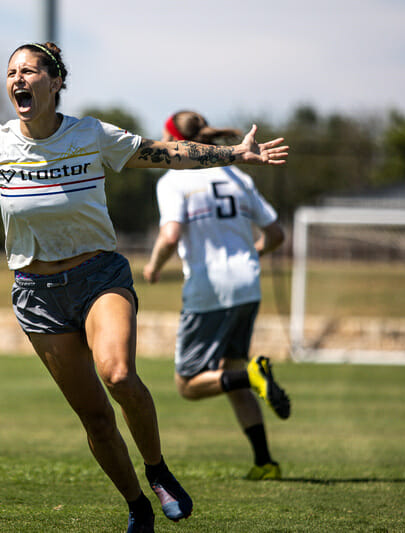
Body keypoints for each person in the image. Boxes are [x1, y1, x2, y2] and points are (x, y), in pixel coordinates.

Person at [0, 43, 288, 533]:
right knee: (94, 418)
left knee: (118, 376)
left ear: (54, 81)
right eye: (10, 73)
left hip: (99, 278)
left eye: (28, 71)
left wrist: (233, 154)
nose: (17, 79)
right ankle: (137, 506)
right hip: (36, 294)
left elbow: (164, 151)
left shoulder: (91, 135)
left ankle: (157, 470)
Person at [143, 110, 291, 483]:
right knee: (233, 370)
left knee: (188, 384)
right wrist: (248, 256)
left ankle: (253, 377)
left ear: (176, 141)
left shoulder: (175, 180)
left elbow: (171, 235)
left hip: (209, 288)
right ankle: (265, 462)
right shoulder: (237, 175)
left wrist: (153, 267)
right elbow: (276, 235)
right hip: (247, 286)